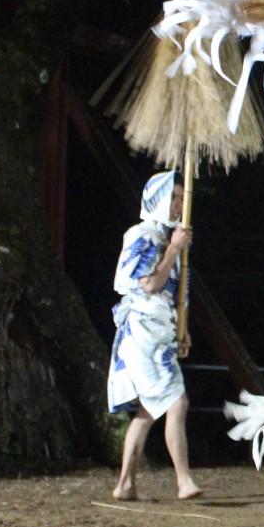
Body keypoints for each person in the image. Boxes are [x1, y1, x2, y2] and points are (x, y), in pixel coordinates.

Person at [108, 171, 201, 502]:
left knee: (148, 410)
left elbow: (175, 293)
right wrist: (174, 249)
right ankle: (183, 480)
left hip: (158, 333)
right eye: (173, 197)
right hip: (143, 335)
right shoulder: (143, 235)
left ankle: (125, 484)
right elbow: (148, 284)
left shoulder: (165, 239)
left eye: (181, 198)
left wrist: (182, 329)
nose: (178, 204)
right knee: (177, 402)